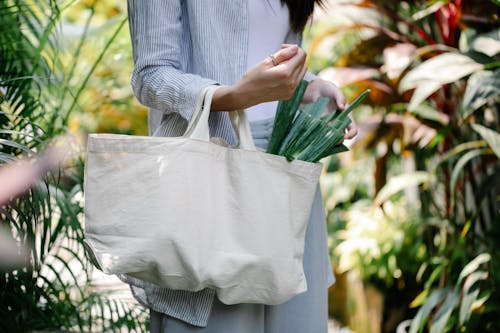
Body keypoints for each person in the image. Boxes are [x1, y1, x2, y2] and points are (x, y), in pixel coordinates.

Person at [124, 1, 357, 332]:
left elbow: (275, 58)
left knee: (295, 320)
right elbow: (150, 75)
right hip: (210, 167)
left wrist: (311, 87)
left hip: (286, 166)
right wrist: (232, 96)